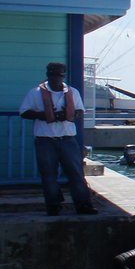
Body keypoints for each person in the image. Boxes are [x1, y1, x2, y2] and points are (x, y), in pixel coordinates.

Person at [19, 61, 96, 216]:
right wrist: (44, 115)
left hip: (68, 139)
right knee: (48, 175)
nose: (56, 78)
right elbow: (24, 112)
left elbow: (80, 111)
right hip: (45, 140)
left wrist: (69, 115)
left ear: (63, 76)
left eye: (59, 76)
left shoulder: (72, 92)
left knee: (76, 174)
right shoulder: (35, 93)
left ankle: (83, 205)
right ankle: (53, 206)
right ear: (48, 75)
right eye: (53, 75)